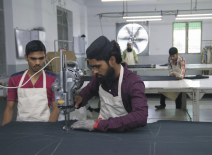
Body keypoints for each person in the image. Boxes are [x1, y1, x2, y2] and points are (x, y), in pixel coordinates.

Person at [71, 36, 148, 132]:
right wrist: (80, 98)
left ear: (112, 60)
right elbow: (90, 90)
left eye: (97, 66)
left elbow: (140, 116)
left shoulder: (133, 82)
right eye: (92, 67)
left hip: (126, 135)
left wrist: (101, 125)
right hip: (102, 132)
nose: (94, 71)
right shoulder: (100, 76)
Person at [1, 40, 59, 126]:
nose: (37, 63)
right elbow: (9, 109)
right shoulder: (15, 79)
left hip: (45, 126)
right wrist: (4, 132)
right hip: (21, 127)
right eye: (33, 59)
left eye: (41, 58)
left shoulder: (53, 78)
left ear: (45, 57)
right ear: (26, 57)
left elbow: (56, 108)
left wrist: (48, 130)